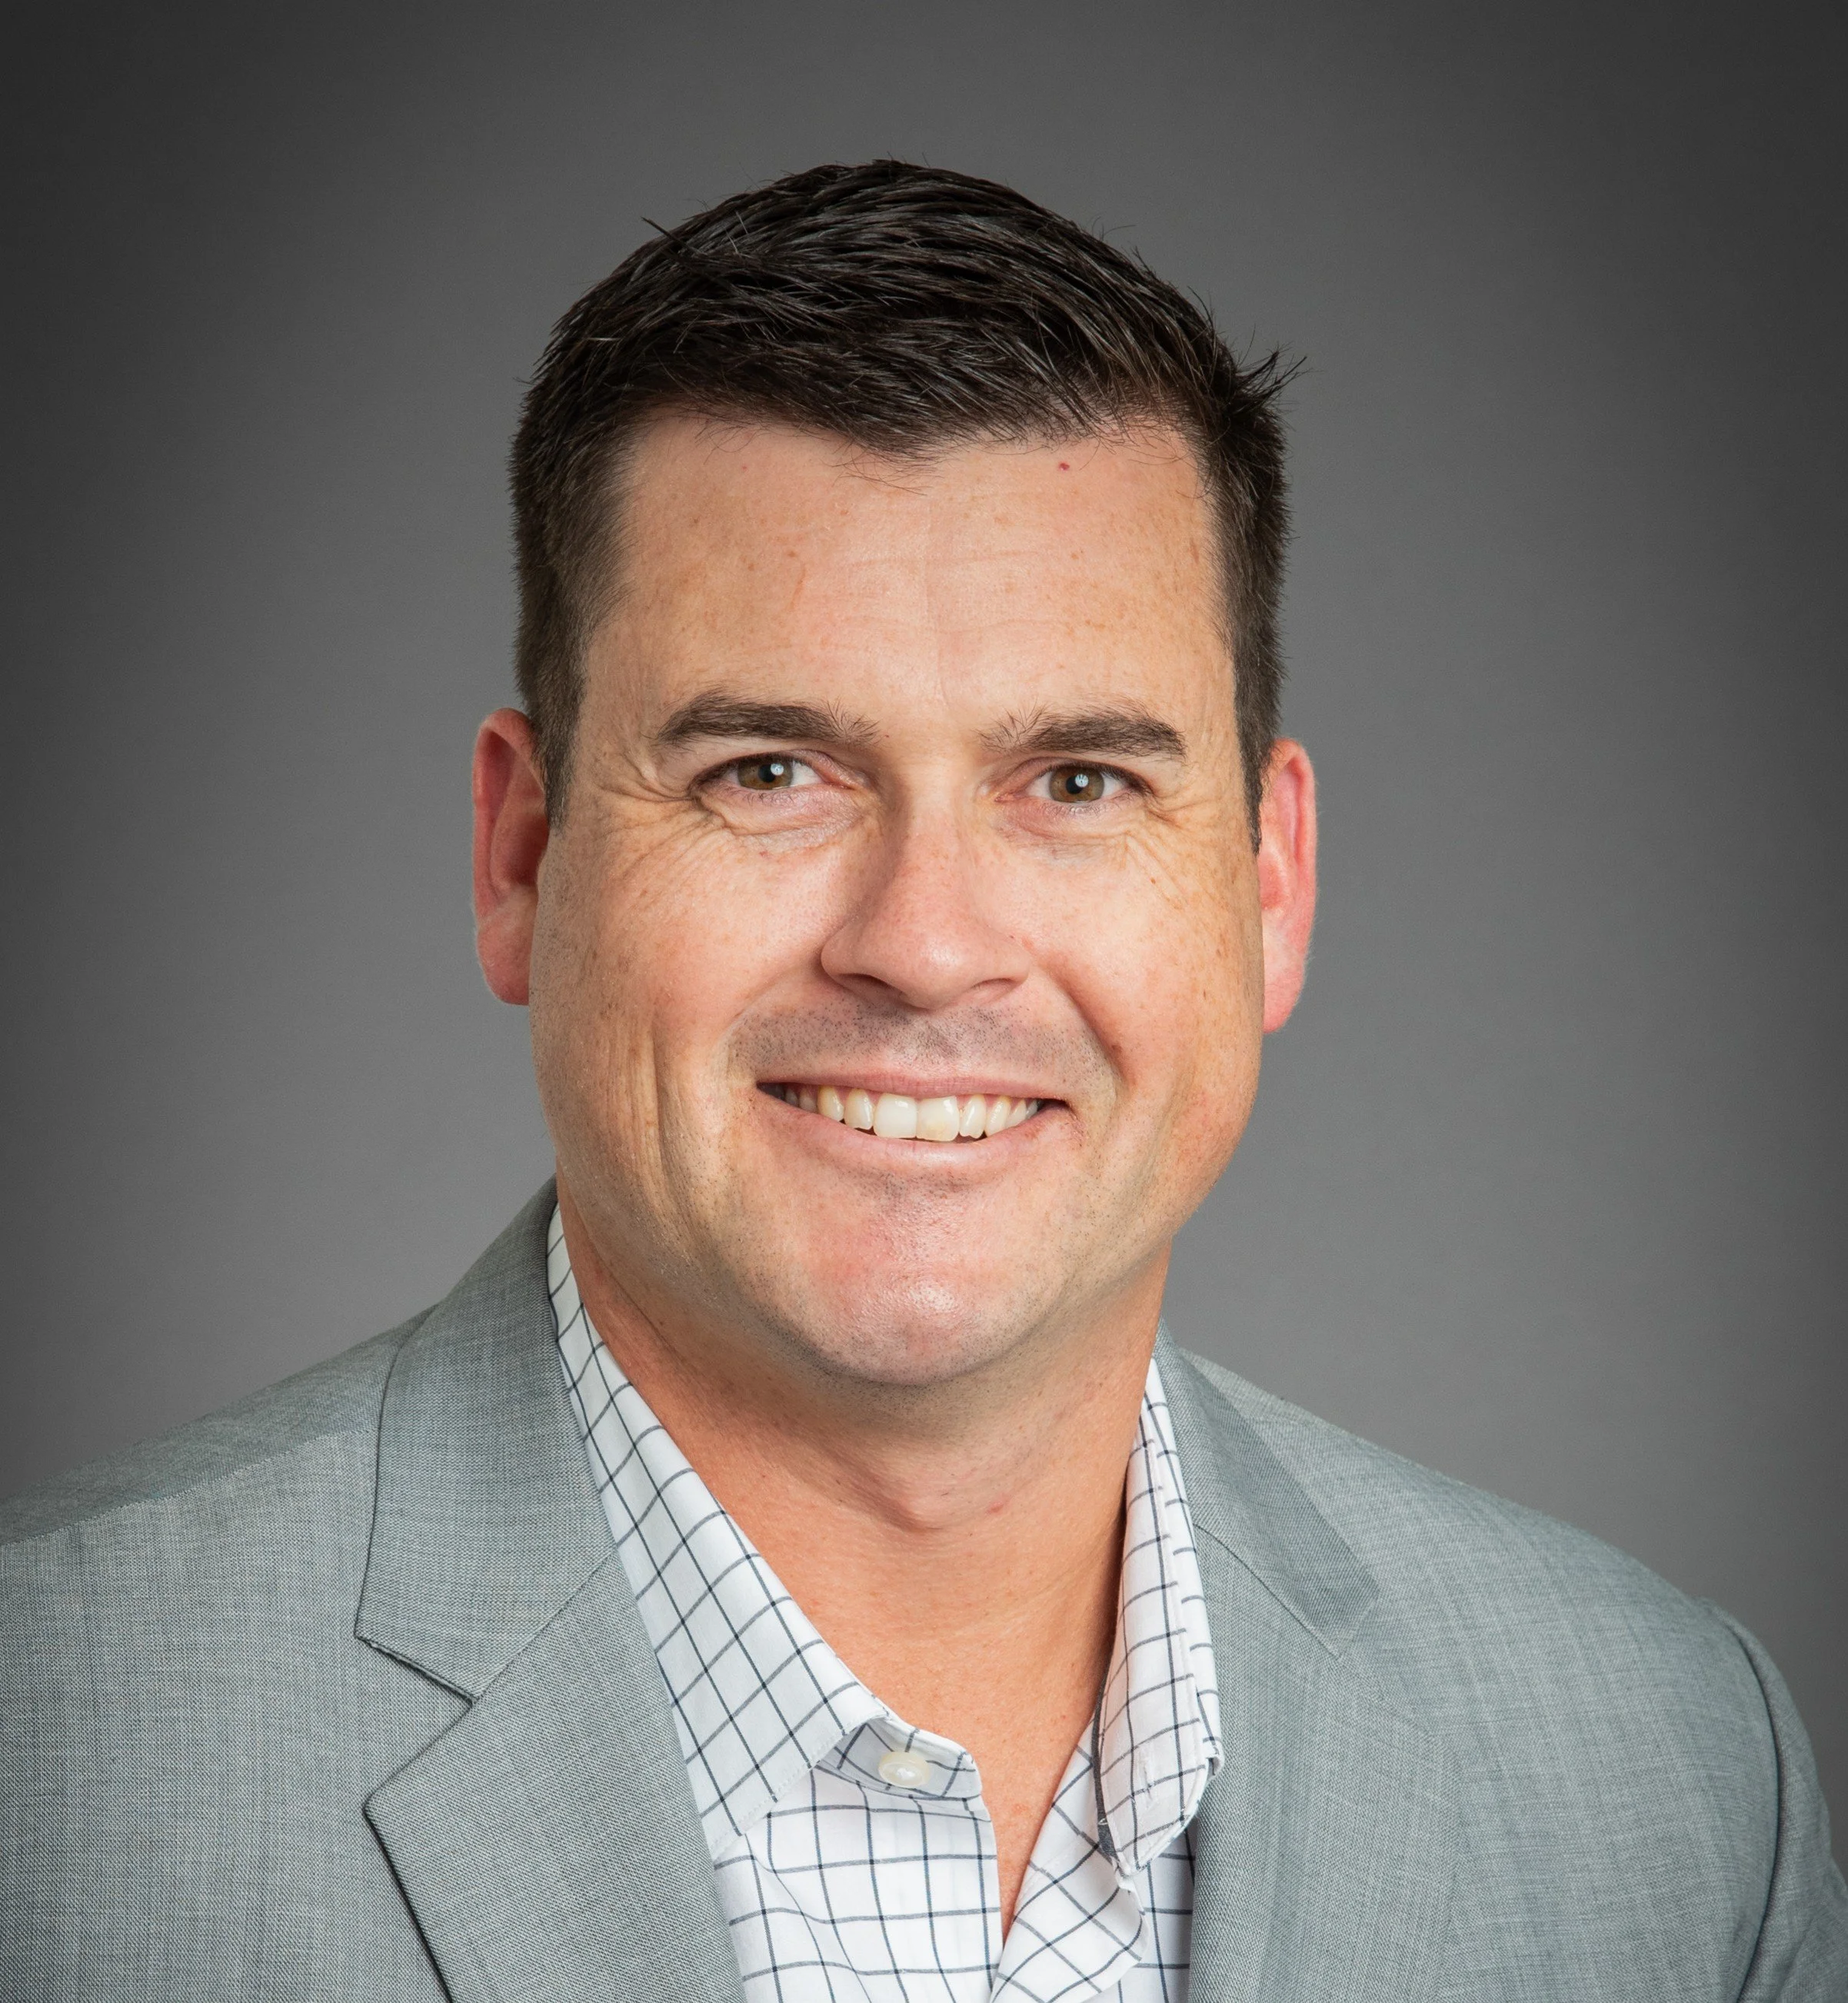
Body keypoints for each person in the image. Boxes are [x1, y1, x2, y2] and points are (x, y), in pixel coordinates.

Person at [2, 160, 1841, 2003]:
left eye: (1080, 783)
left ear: (1269, 885)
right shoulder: (50, 1753)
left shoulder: (1672, 1785)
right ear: (523, 856)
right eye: (767, 773)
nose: (926, 944)